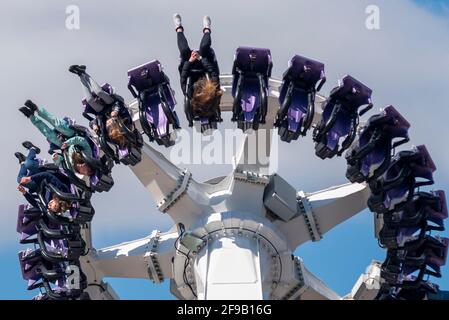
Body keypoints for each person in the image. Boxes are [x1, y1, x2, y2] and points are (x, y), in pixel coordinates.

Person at [18, 100, 94, 176]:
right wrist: (67, 143)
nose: (83, 167)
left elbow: (61, 163)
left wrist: (56, 158)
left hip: (63, 146)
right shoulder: (87, 155)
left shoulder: (72, 167)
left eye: (86, 171)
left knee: (48, 134)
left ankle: (31, 116)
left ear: (81, 172)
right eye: (89, 169)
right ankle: (36, 109)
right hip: (73, 135)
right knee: (59, 126)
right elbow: (82, 140)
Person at [173, 13, 223, 117]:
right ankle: (207, 29)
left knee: (184, 50)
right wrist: (200, 58)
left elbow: (183, 76)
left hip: (190, 67)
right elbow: (212, 71)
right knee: (204, 47)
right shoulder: (214, 91)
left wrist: (190, 61)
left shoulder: (189, 93)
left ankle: (178, 28)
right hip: (206, 64)